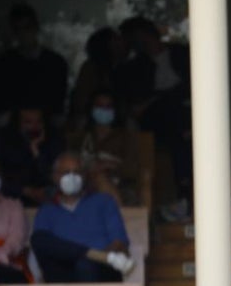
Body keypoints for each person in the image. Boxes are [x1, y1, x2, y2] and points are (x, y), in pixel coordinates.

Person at [115, 16, 192, 221]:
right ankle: (183, 197)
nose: (141, 41)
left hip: (190, 112)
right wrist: (161, 97)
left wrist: (164, 95)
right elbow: (137, 104)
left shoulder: (182, 54)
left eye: (143, 36)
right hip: (160, 122)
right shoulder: (134, 68)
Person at [30, 151, 134, 283]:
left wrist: (97, 259)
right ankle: (90, 254)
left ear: (84, 176)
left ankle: (92, 257)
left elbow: (119, 243)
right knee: (38, 238)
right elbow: (42, 244)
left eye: (77, 172)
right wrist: (86, 254)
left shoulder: (104, 202)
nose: (72, 177)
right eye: (66, 172)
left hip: (101, 270)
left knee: (85, 265)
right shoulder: (46, 210)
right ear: (55, 177)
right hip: (64, 272)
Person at [0, 4, 69, 122]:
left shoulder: (56, 63)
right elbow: (0, 100)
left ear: (36, 27)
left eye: (27, 27)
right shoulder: (3, 63)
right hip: (13, 125)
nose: (23, 33)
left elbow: (57, 102)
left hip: (46, 125)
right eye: (17, 29)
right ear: (14, 32)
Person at [70, 89, 141, 206]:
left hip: (118, 187)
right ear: (91, 109)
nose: (104, 110)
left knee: (100, 179)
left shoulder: (125, 137)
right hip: (84, 184)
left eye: (108, 106)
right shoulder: (81, 138)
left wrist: (109, 165)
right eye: (99, 106)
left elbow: (132, 169)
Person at [0, 106, 64, 205]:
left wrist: (36, 153)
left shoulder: (52, 140)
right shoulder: (3, 142)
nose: (34, 126)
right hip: (11, 199)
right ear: (19, 124)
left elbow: (53, 177)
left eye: (39, 122)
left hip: (45, 200)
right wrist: (25, 191)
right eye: (28, 122)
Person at [69, 27, 126, 131]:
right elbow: (82, 99)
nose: (122, 44)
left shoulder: (123, 67)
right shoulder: (90, 68)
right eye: (116, 41)